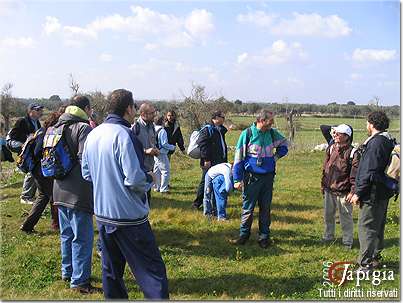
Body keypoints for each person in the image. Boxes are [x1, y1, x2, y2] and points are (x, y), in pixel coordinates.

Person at [82, 89, 169, 299]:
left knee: (111, 272)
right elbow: (135, 179)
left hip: (103, 215)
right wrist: (150, 177)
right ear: (128, 108)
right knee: (152, 272)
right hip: (129, 218)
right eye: (134, 107)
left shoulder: (93, 133)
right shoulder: (125, 135)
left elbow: (86, 173)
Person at [53, 96, 98, 294]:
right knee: (82, 237)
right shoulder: (83, 128)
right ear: (86, 109)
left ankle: (67, 271)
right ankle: (80, 281)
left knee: (66, 234)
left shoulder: (55, 127)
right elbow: (85, 161)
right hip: (78, 192)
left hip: (58, 189)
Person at [230, 110, 288, 248]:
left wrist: (274, 158)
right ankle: (243, 236)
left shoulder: (272, 133)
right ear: (260, 121)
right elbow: (238, 158)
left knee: (265, 208)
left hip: (268, 178)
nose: (270, 127)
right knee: (248, 208)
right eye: (268, 124)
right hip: (251, 178)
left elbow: (285, 144)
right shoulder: (247, 134)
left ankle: (264, 237)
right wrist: (237, 180)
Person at [347, 111, 395, 271]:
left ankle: (365, 264)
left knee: (366, 227)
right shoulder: (387, 140)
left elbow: (369, 170)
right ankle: (374, 257)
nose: (366, 125)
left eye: (368, 122)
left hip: (373, 193)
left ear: (372, 124)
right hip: (383, 191)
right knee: (378, 225)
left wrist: (358, 192)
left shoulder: (376, 143)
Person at [20, 111, 63, 233]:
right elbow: (37, 152)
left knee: (44, 196)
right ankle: (56, 225)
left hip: (38, 169)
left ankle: (28, 226)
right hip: (40, 170)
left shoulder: (42, 131)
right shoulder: (45, 133)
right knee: (51, 196)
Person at [321, 124, 359, 249]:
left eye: (339, 133)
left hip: (344, 192)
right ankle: (328, 237)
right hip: (329, 189)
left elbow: (355, 176)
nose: (335, 135)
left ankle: (347, 242)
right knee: (328, 215)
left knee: (346, 218)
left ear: (347, 137)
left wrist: (352, 191)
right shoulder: (331, 148)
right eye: (335, 133)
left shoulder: (353, 153)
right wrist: (323, 184)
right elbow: (325, 168)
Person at [6, 103, 43, 204]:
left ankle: (29, 195)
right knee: (31, 163)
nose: (40, 112)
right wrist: (27, 137)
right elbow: (13, 134)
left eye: (41, 109)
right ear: (30, 111)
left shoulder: (37, 122)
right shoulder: (22, 121)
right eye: (38, 109)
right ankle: (26, 196)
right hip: (14, 142)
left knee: (34, 164)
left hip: (26, 144)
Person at [192, 110, 228, 209]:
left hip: (220, 160)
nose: (223, 118)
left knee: (217, 181)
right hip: (209, 161)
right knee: (205, 182)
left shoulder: (220, 129)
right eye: (222, 116)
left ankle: (214, 202)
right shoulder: (207, 129)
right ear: (215, 118)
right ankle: (197, 203)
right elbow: (202, 144)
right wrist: (206, 159)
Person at [132, 103, 159, 203]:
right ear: (143, 114)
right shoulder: (135, 127)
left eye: (154, 112)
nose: (154, 115)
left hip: (149, 167)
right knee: (139, 199)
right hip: (138, 169)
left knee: (147, 197)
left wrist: (155, 150)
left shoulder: (152, 126)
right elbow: (130, 148)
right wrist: (146, 151)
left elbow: (153, 143)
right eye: (152, 113)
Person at [154, 116, 175, 193]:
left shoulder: (153, 129)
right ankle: (164, 189)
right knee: (165, 171)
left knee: (156, 170)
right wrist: (172, 147)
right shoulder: (162, 131)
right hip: (161, 153)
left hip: (154, 152)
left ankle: (157, 187)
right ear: (162, 121)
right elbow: (164, 144)